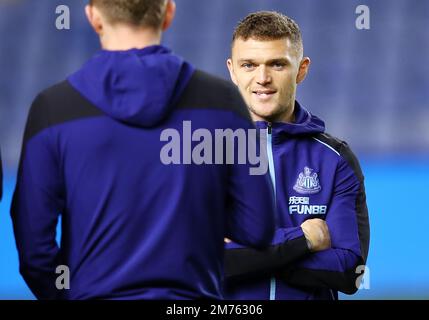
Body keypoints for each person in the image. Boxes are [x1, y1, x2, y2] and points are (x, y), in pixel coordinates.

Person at [11, 0, 276, 300]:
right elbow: (259, 227)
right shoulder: (224, 102)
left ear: (93, 16)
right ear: (169, 13)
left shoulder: (53, 108)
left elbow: (34, 250)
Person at [224, 11, 370, 300]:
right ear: (232, 71)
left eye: (277, 64)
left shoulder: (335, 158)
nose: (262, 78)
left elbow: (349, 271)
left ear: (301, 69)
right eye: (249, 65)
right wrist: (305, 238)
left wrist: (248, 257)